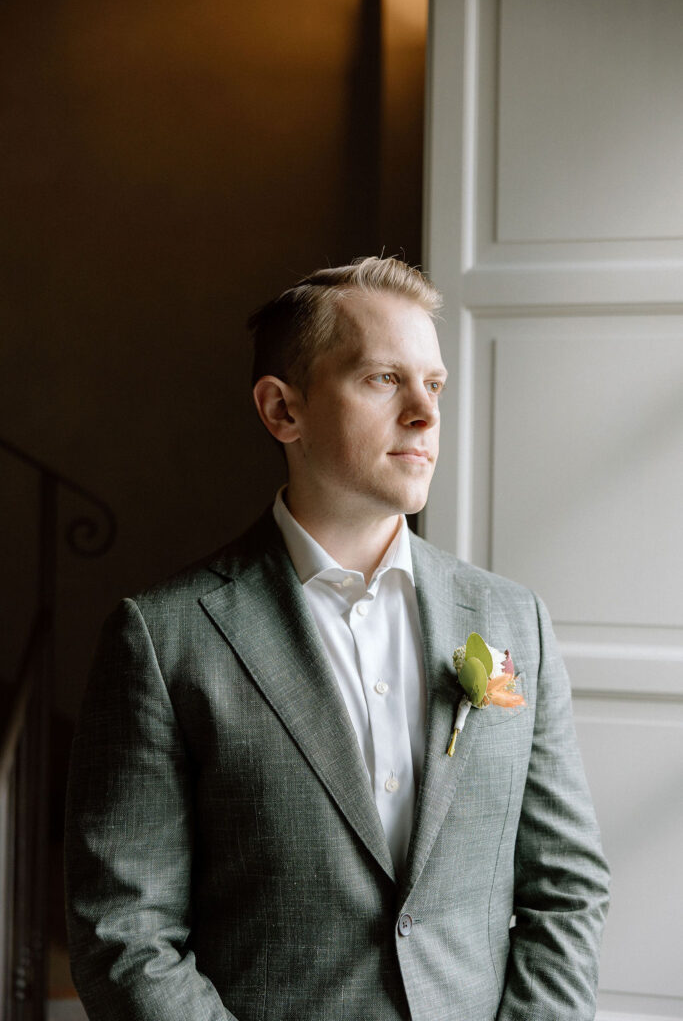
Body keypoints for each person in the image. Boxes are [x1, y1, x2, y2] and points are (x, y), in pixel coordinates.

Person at [65, 257, 609, 1021]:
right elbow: (123, 935)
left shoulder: (514, 621)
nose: (424, 414)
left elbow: (566, 891)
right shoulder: (162, 639)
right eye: (383, 379)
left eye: (434, 385)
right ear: (282, 410)